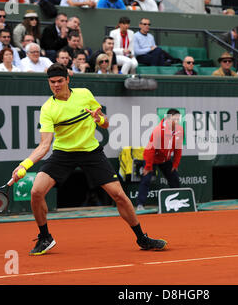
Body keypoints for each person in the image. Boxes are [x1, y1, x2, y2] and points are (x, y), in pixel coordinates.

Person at [10, 63, 167, 255]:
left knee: (119, 195)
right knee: (36, 192)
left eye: (60, 81)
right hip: (63, 153)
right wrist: (24, 164)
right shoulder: (48, 109)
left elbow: (106, 122)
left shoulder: (84, 94)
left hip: (90, 151)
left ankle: (142, 238)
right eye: (52, 82)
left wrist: (99, 119)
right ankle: (45, 237)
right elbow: (44, 145)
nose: (56, 85)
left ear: (68, 79)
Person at [136, 109, 183, 211]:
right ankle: (140, 204)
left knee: (174, 178)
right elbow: (150, 150)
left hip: (165, 160)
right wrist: (148, 166)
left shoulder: (179, 130)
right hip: (152, 159)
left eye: (179, 119)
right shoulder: (158, 131)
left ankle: (178, 202)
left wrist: (175, 165)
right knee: (146, 179)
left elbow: (178, 149)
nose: (178, 122)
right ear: (169, 119)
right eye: (176, 119)